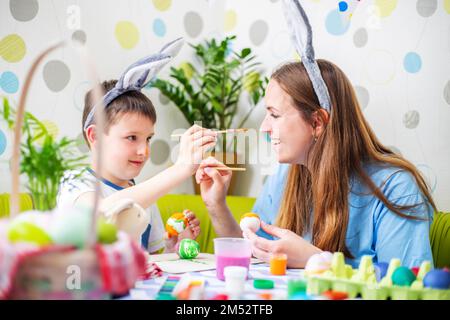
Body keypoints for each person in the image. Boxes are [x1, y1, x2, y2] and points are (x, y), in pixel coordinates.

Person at [195, 59, 436, 268]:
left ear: (317, 122)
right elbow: (254, 249)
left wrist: (316, 260)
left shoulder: (395, 188)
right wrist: (216, 204)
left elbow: (408, 287)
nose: (264, 128)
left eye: (274, 115)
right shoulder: (285, 175)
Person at [57, 38, 217, 254]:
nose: (144, 151)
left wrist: (174, 247)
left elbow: (147, 262)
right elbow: (102, 213)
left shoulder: (142, 196)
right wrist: (180, 169)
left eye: (148, 138)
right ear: (95, 137)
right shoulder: (75, 185)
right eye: (132, 137)